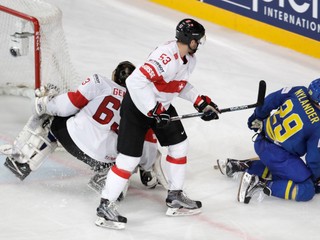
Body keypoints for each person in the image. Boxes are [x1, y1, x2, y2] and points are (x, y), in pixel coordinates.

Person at [94, 18, 220, 230]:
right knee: (128, 160)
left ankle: (175, 197)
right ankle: (105, 208)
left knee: (180, 146)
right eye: (198, 39)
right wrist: (152, 110)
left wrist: (200, 102)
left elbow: (177, 85)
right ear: (189, 40)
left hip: (159, 106)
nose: (200, 43)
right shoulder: (165, 57)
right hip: (137, 107)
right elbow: (134, 82)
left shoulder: (188, 59)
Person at [3, 61, 166, 194]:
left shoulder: (100, 82)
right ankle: (109, 180)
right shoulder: (142, 105)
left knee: (54, 117)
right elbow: (148, 147)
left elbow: (68, 105)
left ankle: (24, 162)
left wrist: (46, 103)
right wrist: (146, 168)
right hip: (103, 160)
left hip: (71, 139)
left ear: (114, 75)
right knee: (129, 154)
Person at [217, 78, 320, 204]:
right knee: (307, 188)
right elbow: (314, 158)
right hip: (279, 155)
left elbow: (270, 100)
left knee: (284, 169)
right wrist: (316, 178)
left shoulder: (299, 90)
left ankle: (240, 165)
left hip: (261, 141)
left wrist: (257, 116)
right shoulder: (318, 125)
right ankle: (259, 183)